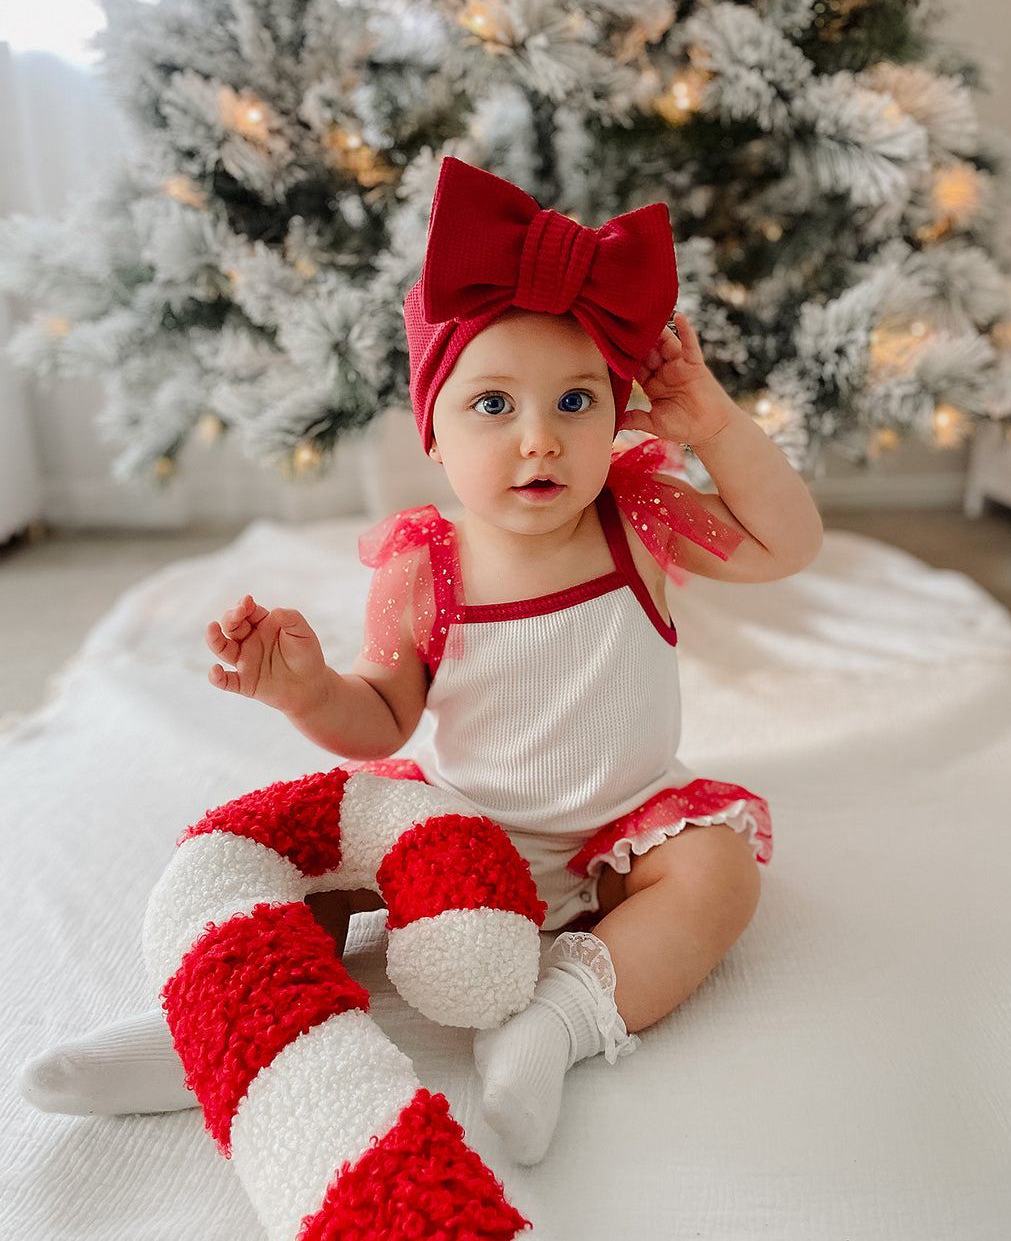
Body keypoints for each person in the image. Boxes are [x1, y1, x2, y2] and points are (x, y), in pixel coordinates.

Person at [21, 157, 823, 1166]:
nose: (540, 440)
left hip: (618, 831)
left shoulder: (636, 512)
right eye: (494, 406)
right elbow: (384, 719)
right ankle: (205, 1035)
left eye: (576, 402)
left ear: (616, 413)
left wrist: (715, 424)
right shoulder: (427, 561)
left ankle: (559, 1022)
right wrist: (308, 690)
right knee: (315, 893)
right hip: (457, 828)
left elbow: (785, 544)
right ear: (434, 432)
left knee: (717, 877)